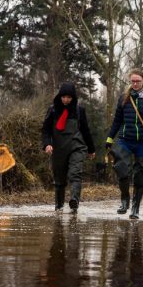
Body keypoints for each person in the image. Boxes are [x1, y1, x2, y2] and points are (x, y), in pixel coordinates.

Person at [106, 69, 143, 219]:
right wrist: (110, 138)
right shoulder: (124, 98)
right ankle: (125, 200)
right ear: (130, 82)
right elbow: (117, 120)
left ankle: (135, 208)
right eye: (133, 81)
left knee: (140, 175)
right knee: (122, 168)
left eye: (138, 81)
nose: (135, 84)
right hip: (125, 139)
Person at [41, 82, 96, 212]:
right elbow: (45, 130)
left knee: (75, 174)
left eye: (69, 97)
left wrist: (91, 148)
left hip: (76, 146)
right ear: (60, 96)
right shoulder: (53, 110)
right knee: (59, 180)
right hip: (58, 148)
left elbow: (85, 130)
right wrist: (47, 144)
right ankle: (59, 207)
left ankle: (74, 201)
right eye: (64, 97)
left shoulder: (79, 110)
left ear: (73, 98)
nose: (66, 100)